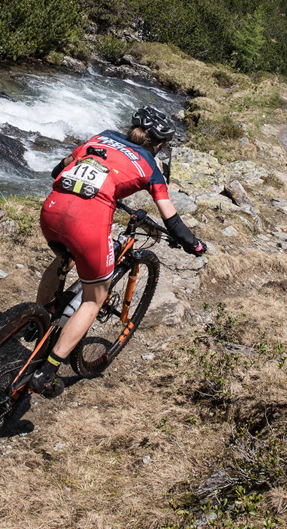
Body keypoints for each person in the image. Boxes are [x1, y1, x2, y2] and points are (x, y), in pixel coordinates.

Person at [28, 105, 205, 397]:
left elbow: (59, 169)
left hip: (53, 209)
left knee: (64, 256)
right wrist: (194, 245)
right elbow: (171, 220)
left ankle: (37, 322)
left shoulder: (99, 137)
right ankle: (48, 370)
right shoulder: (151, 165)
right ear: (159, 144)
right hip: (87, 221)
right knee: (94, 298)